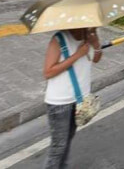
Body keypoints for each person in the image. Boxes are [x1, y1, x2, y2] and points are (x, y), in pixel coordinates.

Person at [43, 27, 102, 169]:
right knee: (58, 146)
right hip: (59, 103)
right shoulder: (58, 39)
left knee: (67, 141)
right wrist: (77, 54)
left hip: (79, 100)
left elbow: (96, 59)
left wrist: (96, 44)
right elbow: (48, 71)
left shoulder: (89, 35)